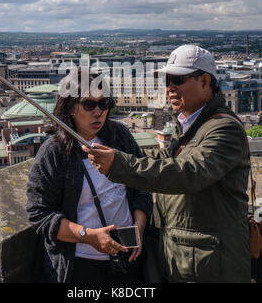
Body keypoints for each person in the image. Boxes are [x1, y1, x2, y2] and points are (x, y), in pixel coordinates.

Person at [83, 45, 251, 283]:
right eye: (166, 80)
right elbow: (165, 162)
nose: (169, 87)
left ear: (205, 81)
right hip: (187, 261)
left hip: (211, 266)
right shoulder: (189, 124)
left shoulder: (225, 129)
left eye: (177, 79)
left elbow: (187, 173)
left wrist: (120, 165)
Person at [26, 68, 152, 283]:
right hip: (81, 264)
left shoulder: (118, 135)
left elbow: (142, 184)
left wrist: (138, 229)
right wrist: (88, 236)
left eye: (104, 104)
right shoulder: (54, 152)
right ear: (70, 107)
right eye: (89, 104)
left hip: (127, 257)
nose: (98, 112)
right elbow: (39, 214)